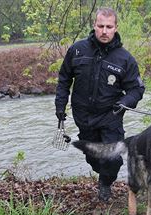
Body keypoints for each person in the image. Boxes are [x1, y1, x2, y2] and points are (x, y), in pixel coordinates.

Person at [55, 7, 145, 201]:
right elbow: (64, 79)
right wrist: (60, 107)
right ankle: (101, 174)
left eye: (109, 27)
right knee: (93, 157)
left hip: (110, 116)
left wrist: (125, 102)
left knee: (112, 159)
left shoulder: (125, 59)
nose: (104, 31)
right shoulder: (77, 50)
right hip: (83, 116)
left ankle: (105, 183)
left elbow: (137, 90)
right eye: (101, 26)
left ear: (116, 28)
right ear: (94, 26)